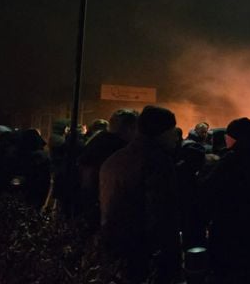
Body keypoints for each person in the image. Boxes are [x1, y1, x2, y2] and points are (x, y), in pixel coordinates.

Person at [99, 106, 181, 284]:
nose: (176, 136)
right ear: (161, 132)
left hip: (115, 246)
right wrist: (167, 255)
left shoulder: (115, 159)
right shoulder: (156, 162)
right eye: (172, 130)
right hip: (143, 251)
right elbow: (161, 211)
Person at [202, 117, 250, 284]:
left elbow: (209, 188)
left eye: (229, 135)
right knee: (248, 273)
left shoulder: (233, 159)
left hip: (230, 230)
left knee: (230, 274)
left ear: (237, 137)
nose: (226, 139)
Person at [77, 109, 139, 231]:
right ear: (129, 128)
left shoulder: (97, 143)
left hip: (92, 207)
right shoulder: (117, 149)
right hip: (105, 210)